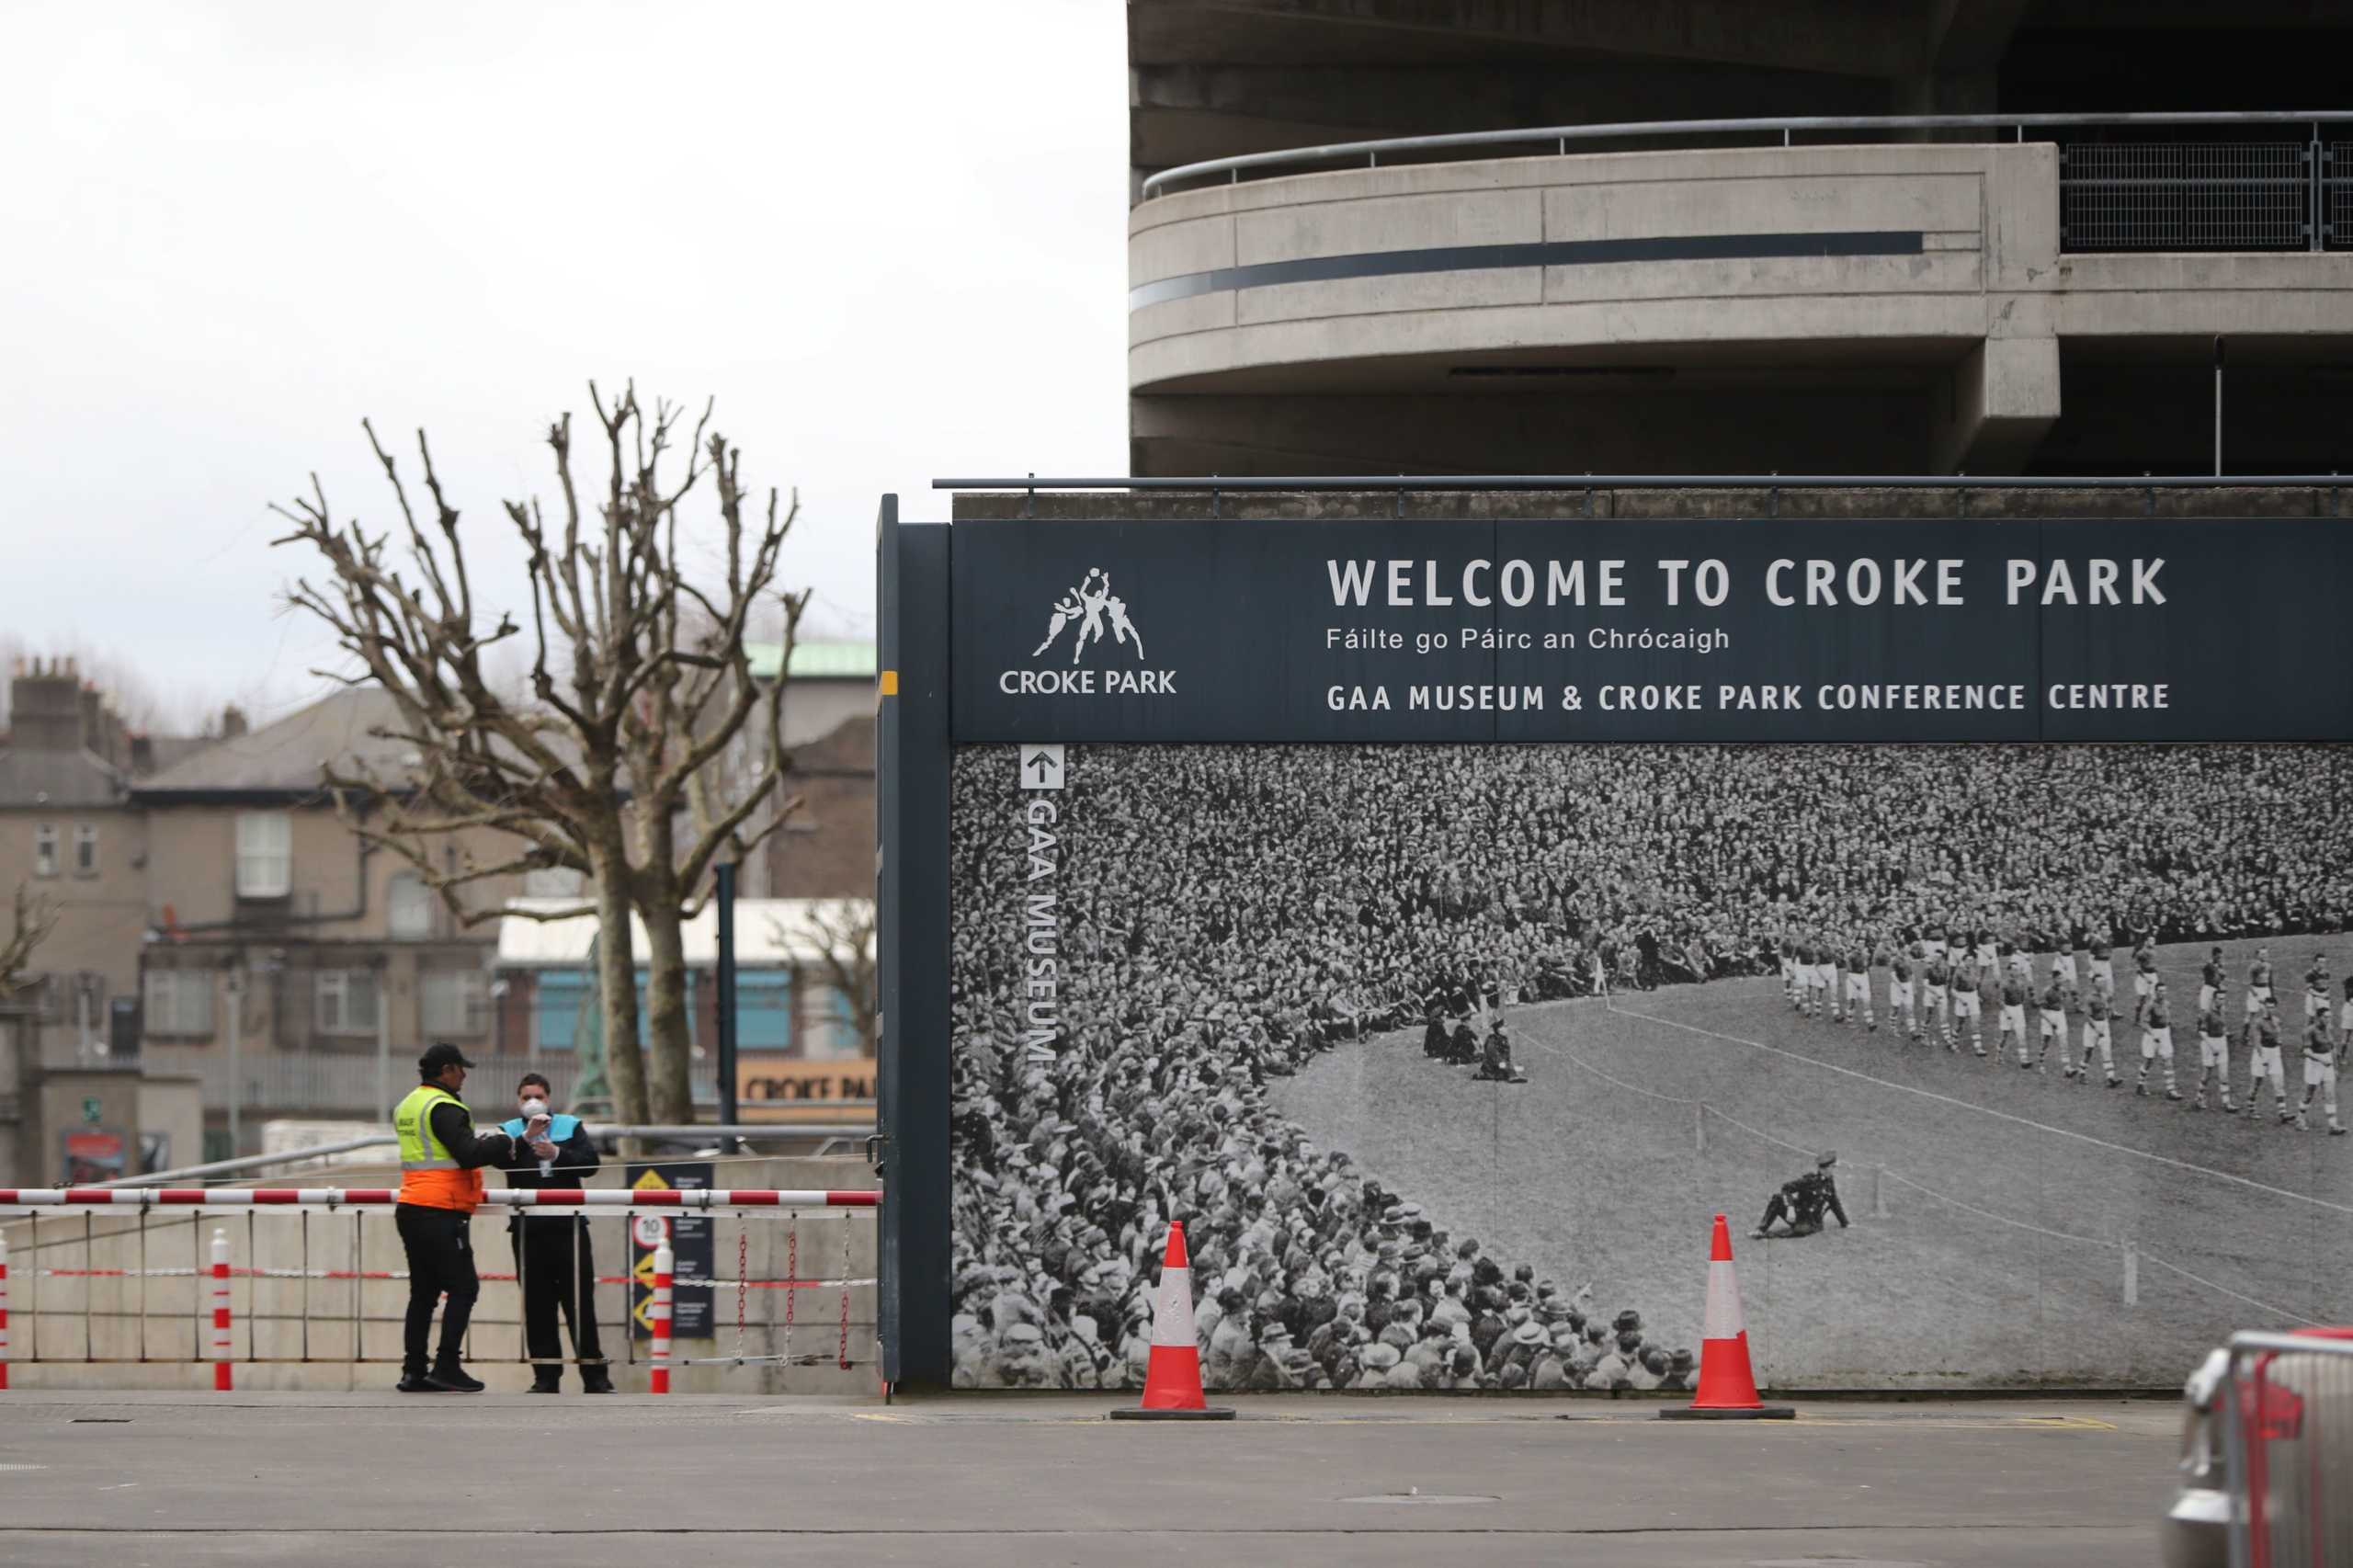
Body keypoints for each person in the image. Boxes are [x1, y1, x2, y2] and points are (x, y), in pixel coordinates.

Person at [393, 1043, 537, 1392]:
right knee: (464, 1287)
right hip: (441, 1210)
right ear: (446, 1070)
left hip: (412, 1206)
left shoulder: (409, 1104)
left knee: (423, 1293)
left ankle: (414, 1371)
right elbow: (468, 1154)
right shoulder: (444, 1107)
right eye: (461, 1068)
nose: (465, 1075)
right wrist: (504, 1141)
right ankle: (446, 1366)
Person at [496, 1073, 613, 1393]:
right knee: (537, 1306)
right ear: (518, 1101)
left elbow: (590, 1163)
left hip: (569, 1228)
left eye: (538, 1096)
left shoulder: (570, 1126)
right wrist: (525, 1140)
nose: (532, 1102)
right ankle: (546, 1377)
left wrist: (558, 1155)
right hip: (529, 1231)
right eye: (525, 1097)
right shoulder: (509, 1132)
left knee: (580, 1304)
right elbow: (496, 1160)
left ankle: (595, 1376)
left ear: (549, 1099)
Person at [1755, 1152, 1849, 1239]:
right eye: (1833, 1167)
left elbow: (1834, 1202)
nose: (1834, 1170)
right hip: (1799, 1215)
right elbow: (1786, 1188)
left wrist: (1845, 1223)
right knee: (1777, 1198)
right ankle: (1761, 1229)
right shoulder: (1809, 1181)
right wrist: (1790, 1208)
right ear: (1825, 1168)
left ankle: (1771, 1235)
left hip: (1812, 1223)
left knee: (1800, 1231)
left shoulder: (1829, 1181)